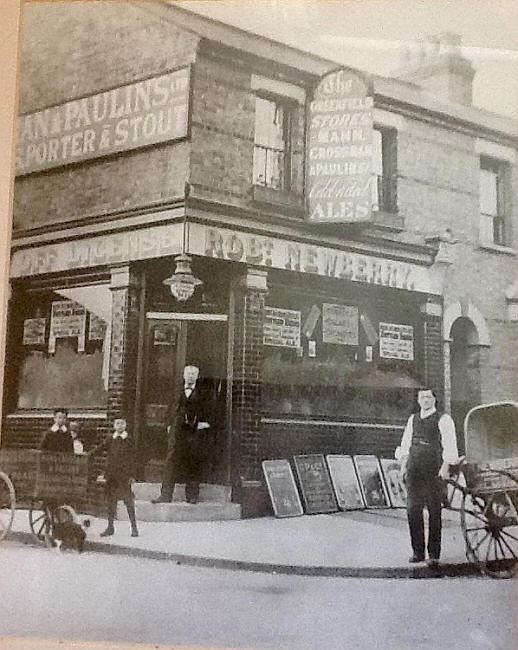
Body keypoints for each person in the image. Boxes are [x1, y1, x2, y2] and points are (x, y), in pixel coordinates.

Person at [396, 387, 459, 567]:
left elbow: (449, 445)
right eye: (422, 397)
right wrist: (403, 466)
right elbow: (405, 444)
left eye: (428, 397)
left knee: (434, 510)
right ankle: (418, 551)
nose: (425, 400)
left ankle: (433, 554)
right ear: (418, 400)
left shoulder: (443, 419)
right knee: (412, 510)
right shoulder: (413, 419)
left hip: (433, 469)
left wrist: (446, 466)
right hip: (414, 468)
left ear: (434, 399)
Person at [152, 365, 211, 505]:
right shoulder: (176, 391)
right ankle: (165, 495)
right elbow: (170, 408)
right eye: (188, 373)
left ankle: (192, 496)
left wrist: (205, 423)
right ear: (184, 376)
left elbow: (210, 410)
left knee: (193, 461)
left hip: (194, 431)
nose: (190, 376)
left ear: (197, 376)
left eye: (193, 374)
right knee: (171, 461)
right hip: (177, 431)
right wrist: (168, 425)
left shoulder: (203, 393)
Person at [95, 418, 139, 538]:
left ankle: (134, 528)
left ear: (126, 425)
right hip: (111, 476)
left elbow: (134, 458)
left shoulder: (129, 440)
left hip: (124, 476)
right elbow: (99, 449)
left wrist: (132, 475)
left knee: (128, 502)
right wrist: (88, 455)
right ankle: (110, 527)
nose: (119, 426)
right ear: (114, 426)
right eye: (117, 423)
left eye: (122, 423)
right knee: (111, 502)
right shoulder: (111, 439)